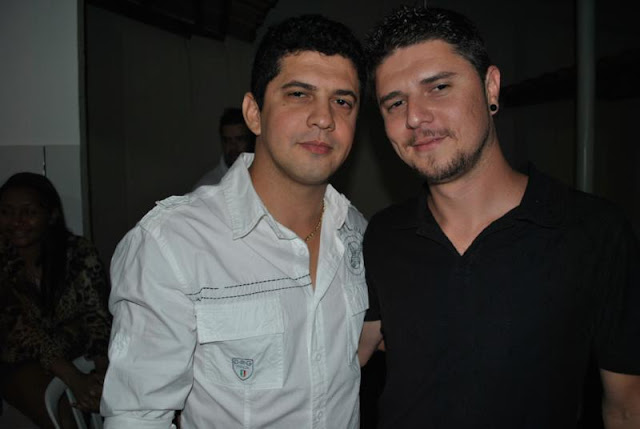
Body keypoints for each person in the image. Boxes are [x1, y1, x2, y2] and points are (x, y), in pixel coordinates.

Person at [358, 6, 640, 428]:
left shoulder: (594, 232)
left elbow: (627, 405)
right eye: (395, 102)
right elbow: (340, 361)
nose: (414, 116)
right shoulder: (382, 236)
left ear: (490, 86)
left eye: (438, 87)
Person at [101, 14, 368, 428]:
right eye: (299, 94)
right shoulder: (173, 243)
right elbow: (137, 418)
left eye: (343, 101)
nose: (324, 118)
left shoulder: (356, 231)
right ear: (254, 113)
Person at [0, 172, 111, 428]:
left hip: (75, 353)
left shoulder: (78, 252)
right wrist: (74, 378)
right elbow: (21, 332)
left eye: (28, 212)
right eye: (6, 212)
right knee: (64, 415)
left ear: (51, 215)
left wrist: (103, 373)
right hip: (18, 360)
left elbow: (97, 317)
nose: (16, 221)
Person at [192, 107, 255, 189]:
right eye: (227, 140)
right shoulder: (207, 187)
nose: (233, 146)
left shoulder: (264, 179)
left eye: (239, 139)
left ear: (250, 140)